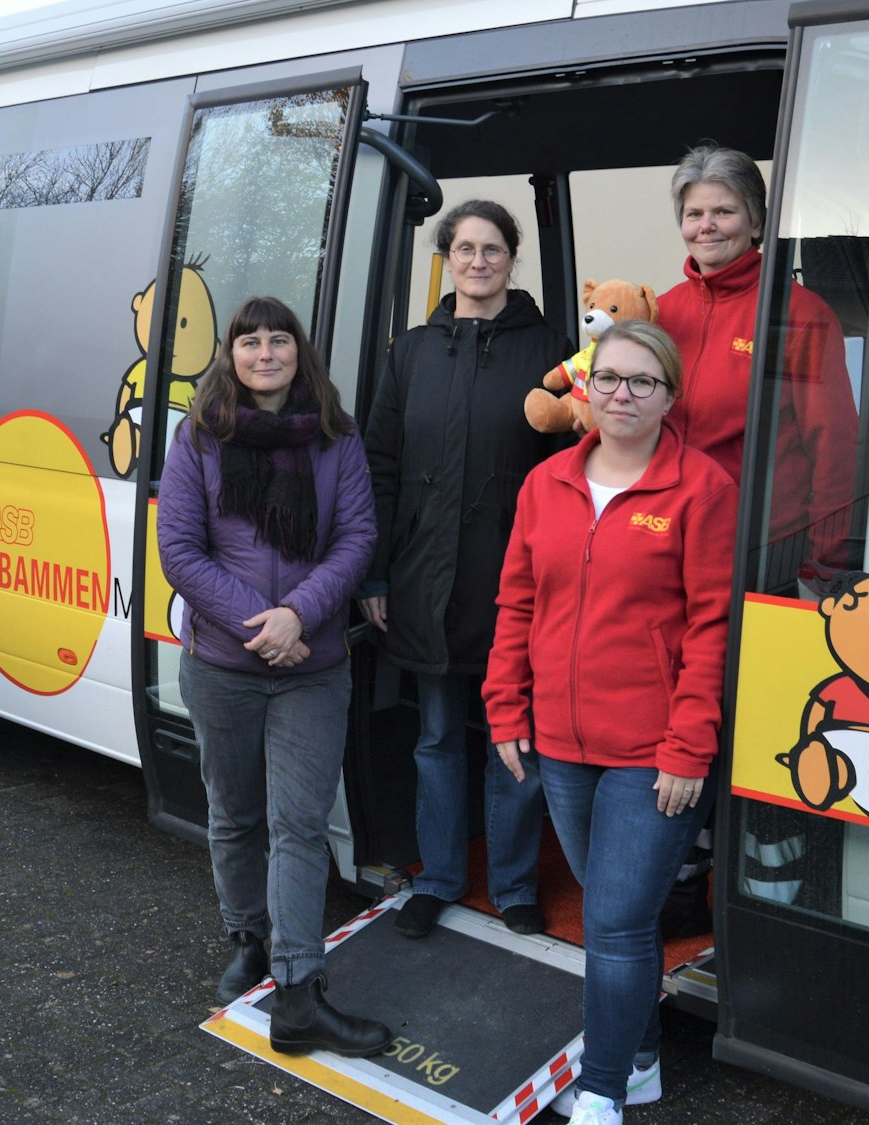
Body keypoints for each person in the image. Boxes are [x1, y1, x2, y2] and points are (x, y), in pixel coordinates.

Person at [483, 321, 736, 1125]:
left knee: (617, 920)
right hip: (560, 741)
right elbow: (517, 603)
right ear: (585, 390)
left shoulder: (702, 489)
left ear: (670, 395)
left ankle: (602, 1089)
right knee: (610, 906)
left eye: (642, 381)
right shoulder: (546, 482)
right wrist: (504, 706)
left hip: (654, 752)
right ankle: (644, 1058)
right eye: (608, 378)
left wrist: (689, 745)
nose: (622, 393)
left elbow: (713, 629)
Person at [157, 295, 390, 1057]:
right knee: (234, 813)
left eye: (279, 340)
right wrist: (262, 626)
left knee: (299, 824)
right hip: (224, 664)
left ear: (299, 350)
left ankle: (297, 989)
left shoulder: (336, 435)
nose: (265, 353)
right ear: (230, 353)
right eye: (250, 341)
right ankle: (248, 937)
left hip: (312, 667)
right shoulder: (199, 436)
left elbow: (356, 536)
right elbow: (179, 549)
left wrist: (299, 614)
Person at [360, 199, 572, 940]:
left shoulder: (550, 350)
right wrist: (376, 574)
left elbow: (569, 469)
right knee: (437, 738)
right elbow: (380, 466)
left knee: (516, 746)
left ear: (512, 258)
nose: (478, 261)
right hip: (424, 578)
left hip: (516, 582)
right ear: (446, 259)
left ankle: (514, 886)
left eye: (492, 249)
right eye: (464, 249)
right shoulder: (411, 352)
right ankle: (441, 878)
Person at [656, 144, 857, 594]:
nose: (706, 226)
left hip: (761, 552)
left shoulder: (797, 314)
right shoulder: (660, 312)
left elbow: (835, 446)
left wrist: (825, 561)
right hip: (668, 542)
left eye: (724, 212)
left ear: (757, 223)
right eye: (694, 214)